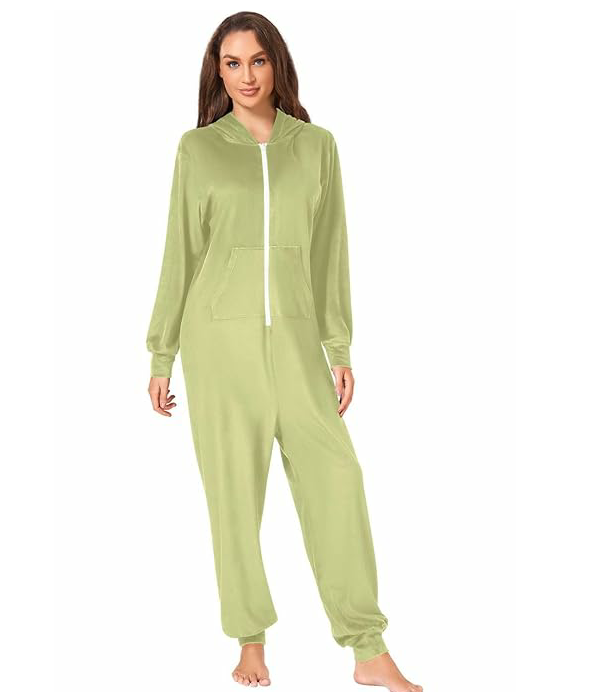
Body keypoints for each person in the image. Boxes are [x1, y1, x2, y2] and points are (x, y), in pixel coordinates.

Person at [146, 11, 422, 691]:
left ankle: (367, 648)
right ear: (217, 71)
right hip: (219, 348)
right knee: (234, 498)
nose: (246, 76)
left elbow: (330, 252)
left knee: (339, 482)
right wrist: (161, 353)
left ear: (277, 64)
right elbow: (181, 252)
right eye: (232, 63)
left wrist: (339, 345)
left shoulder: (317, 146)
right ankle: (250, 641)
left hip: (298, 344)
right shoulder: (198, 149)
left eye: (257, 60)